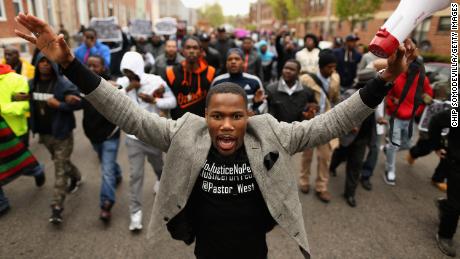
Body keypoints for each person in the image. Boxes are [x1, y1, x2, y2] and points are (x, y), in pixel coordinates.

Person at [14, 12, 415, 259]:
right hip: (205, 247)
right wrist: (68, 64)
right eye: (217, 116)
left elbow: (329, 123)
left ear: (249, 116)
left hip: (255, 248)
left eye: (236, 116)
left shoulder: (270, 132)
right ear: (204, 116)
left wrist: (385, 81)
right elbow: (126, 112)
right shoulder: (184, 132)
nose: (226, 125)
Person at [116, 51, 177, 231]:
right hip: (132, 138)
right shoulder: (122, 84)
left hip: (152, 136)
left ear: (138, 68)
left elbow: (172, 102)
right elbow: (113, 101)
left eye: (131, 70)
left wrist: (154, 100)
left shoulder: (155, 80)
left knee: (159, 167)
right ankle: (135, 213)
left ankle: (160, 179)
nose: (128, 75)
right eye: (125, 71)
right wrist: (128, 88)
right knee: (135, 175)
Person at [28, 53, 82, 224]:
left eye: (47, 61)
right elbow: (27, 99)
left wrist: (61, 105)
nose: (44, 64)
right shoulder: (32, 84)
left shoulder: (63, 84)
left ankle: (56, 206)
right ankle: (76, 175)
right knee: (62, 162)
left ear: (53, 65)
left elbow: (79, 102)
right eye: (41, 62)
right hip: (44, 134)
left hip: (62, 134)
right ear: (36, 65)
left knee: (59, 167)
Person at [81, 55, 123, 222]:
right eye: (89, 66)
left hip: (110, 135)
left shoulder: (110, 85)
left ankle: (106, 203)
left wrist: (117, 87)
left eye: (95, 66)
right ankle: (117, 173)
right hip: (93, 135)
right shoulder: (81, 84)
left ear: (103, 68)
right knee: (108, 165)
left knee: (106, 171)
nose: (91, 69)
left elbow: (122, 90)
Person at [0, 63, 45, 216]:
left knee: (19, 163)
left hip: (14, 132)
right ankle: (2, 202)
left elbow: (25, 105)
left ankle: (36, 169)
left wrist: (2, 108)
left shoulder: (17, 79)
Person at [329, 69, 378, 207]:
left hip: (363, 137)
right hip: (349, 135)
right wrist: (349, 125)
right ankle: (332, 167)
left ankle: (349, 193)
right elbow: (337, 111)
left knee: (355, 165)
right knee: (340, 155)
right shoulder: (351, 94)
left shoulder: (376, 94)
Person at [298, 50, 340, 202]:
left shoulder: (335, 78)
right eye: (329, 67)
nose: (332, 70)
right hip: (310, 124)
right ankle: (304, 181)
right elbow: (300, 101)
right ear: (321, 67)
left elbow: (335, 99)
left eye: (334, 67)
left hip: (327, 124)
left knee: (325, 158)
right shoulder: (306, 79)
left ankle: (321, 188)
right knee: (306, 156)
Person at [383, 56, 433, 186]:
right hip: (396, 117)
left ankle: (388, 149)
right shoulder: (398, 76)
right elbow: (388, 94)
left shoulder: (423, 80)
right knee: (394, 145)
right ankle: (390, 171)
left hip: (411, 118)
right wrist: (392, 105)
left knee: (406, 144)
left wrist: (418, 110)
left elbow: (429, 96)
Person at [429, 108, 460, 257]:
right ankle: (445, 235)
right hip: (456, 165)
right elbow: (436, 121)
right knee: (456, 205)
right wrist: (437, 146)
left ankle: (444, 205)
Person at [163, 36, 216, 120]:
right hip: (178, 124)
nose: (191, 51)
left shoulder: (210, 72)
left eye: (195, 48)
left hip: (202, 124)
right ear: (182, 51)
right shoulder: (171, 72)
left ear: (201, 51)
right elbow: (165, 100)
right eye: (188, 48)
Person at [211, 48, 266, 115]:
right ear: (226, 63)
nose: (233, 61)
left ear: (243, 62)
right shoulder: (217, 81)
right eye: (230, 59)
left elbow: (264, 103)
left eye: (237, 59)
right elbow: (210, 104)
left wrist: (255, 112)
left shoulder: (254, 80)